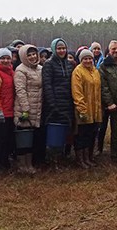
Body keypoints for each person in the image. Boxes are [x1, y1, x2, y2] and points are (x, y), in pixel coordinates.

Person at [42, 38, 75, 168]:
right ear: (54, 49)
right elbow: (47, 85)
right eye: (59, 48)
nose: (62, 51)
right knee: (54, 134)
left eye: (63, 48)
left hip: (67, 103)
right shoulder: (49, 64)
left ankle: (61, 159)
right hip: (54, 104)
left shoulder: (69, 64)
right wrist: (52, 104)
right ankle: (52, 161)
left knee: (64, 133)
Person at [14, 44, 43, 174]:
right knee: (23, 137)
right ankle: (22, 165)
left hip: (38, 107)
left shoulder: (41, 69)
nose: (32, 57)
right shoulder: (20, 70)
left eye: (34, 54)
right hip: (24, 108)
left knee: (32, 138)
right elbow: (20, 90)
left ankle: (29, 163)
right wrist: (26, 108)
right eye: (29, 55)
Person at [72, 49, 102, 168]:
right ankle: (81, 159)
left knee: (91, 134)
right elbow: (77, 92)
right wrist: (81, 109)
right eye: (85, 59)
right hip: (83, 110)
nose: (88, 61)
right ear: (81, 60)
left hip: (95, 110)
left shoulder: (95, 71)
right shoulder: (78, 72)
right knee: (81, 135)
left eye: (90, 58)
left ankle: (89, 158)